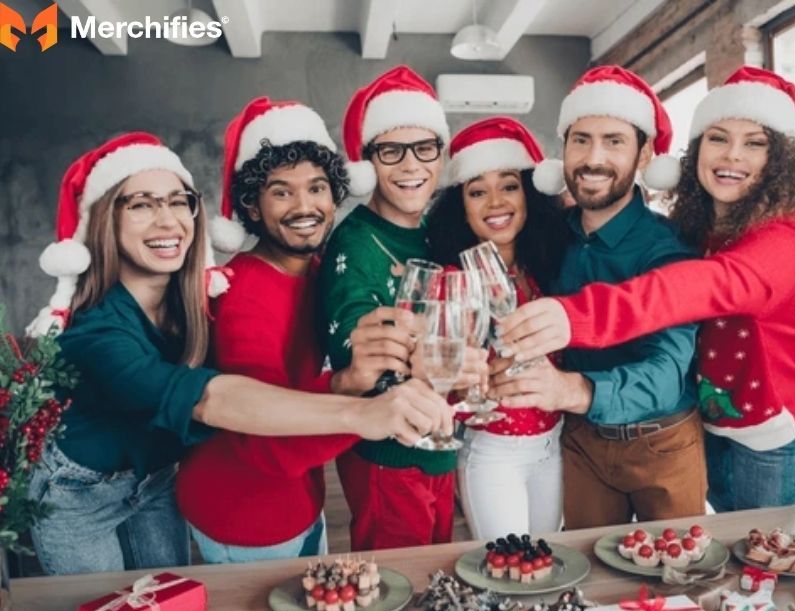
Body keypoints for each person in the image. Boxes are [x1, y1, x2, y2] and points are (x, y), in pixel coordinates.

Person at [26, 132, 453, 575]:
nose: (167, 220)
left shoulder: (196, 292)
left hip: (158, 479)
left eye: (178, 201)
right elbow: (211, 400)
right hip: (82, 491)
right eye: (141, 205)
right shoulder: (97, 333)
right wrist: (358, 407)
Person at [497, 66, 795, 512]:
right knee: (716, 559)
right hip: (711, 419)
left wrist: (575, 318)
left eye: (755, 143)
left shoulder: (787, 235)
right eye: (717, 138)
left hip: (768, 430)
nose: (732, 156)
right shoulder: (703, 225)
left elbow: (707, 285)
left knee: (761, 562)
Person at [175, 98, 423, 563]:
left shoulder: (316, 271)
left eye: (316, 188)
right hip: (246, 512)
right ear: (252, 202)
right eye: (282, 192)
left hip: (297, 498)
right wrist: (360, 395)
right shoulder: (243, 293)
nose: (305, 206)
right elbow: (264, 445)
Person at [488, 66, 706, 528]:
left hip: (661, 444)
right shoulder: (549, 237)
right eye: (581, 140)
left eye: (614, 141)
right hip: (579, 442)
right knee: (588, 579)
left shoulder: (669, 250)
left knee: (676, 584)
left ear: (645, 153)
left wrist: (571, 388)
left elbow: (667, 373)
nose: (593, 158)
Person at [319, 65, 484, 551]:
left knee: (432, 573)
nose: (411, 165)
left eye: (425, 148)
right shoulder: (353, 242)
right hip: (386, 453)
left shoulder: (439, 231)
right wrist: (432, 353)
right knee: (397, 585)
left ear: (441, 155)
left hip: (440, 442)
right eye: (391, 150)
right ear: (369, 162)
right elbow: (351, 348)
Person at [427, 116, 569, 539]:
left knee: (545, 563)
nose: (495, 202)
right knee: (505, 572)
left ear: (528, 194)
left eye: (508, 185)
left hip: (556, 446)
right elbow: (440, 383)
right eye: (476, 191)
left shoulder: (549, 264)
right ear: (461, 205)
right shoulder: (453, 280)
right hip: (494, 453)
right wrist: (470, 383)